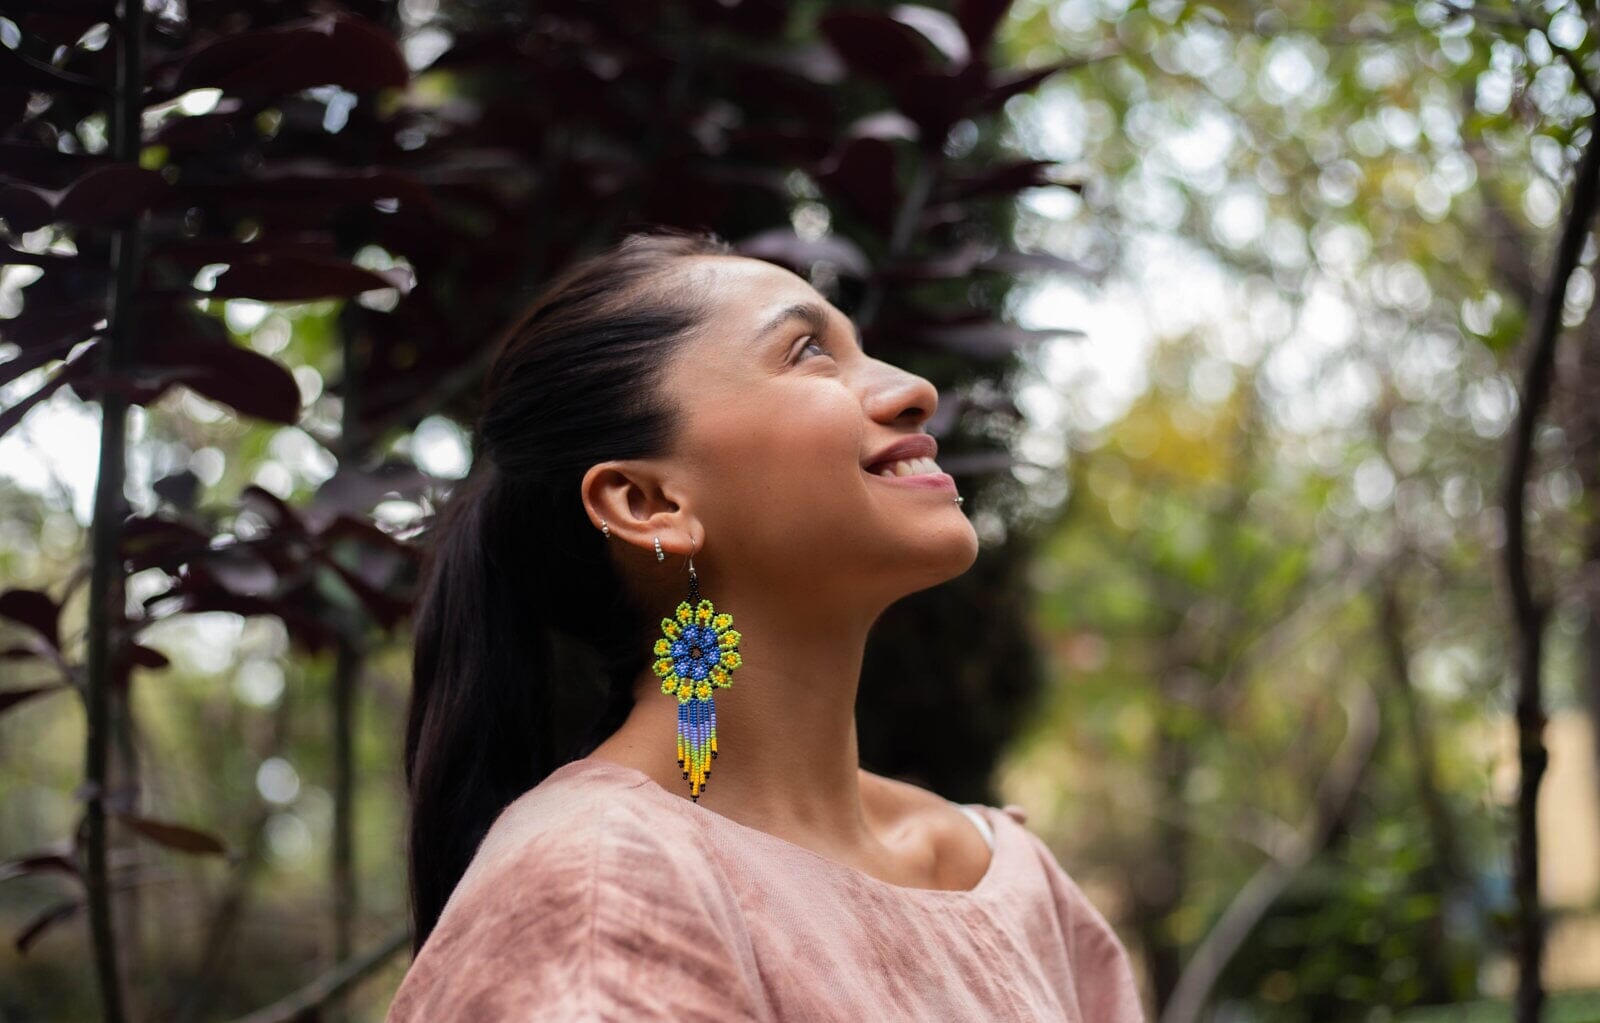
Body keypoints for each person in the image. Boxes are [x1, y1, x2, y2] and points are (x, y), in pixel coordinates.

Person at [385, 225, 1146, 1021]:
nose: (915, 387)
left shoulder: (1008, 876)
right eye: (808, 352)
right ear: (650, 504)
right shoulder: (602, 884)